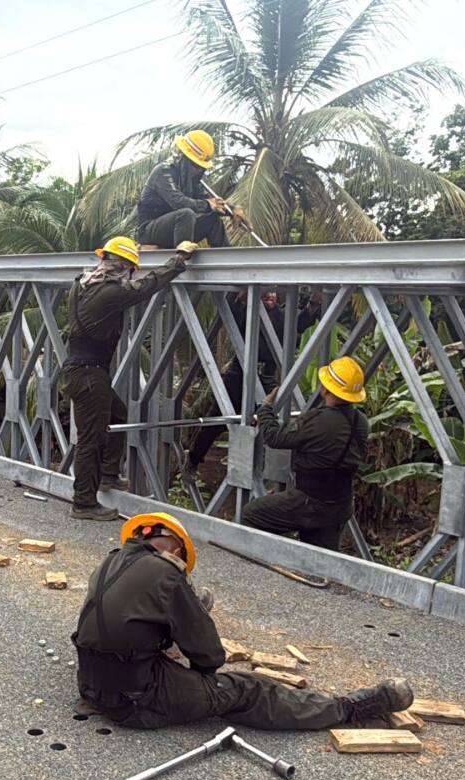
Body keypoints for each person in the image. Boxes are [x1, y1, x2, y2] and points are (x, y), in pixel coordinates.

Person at [72, 511, 412, 730]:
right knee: (247, 689)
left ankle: (188, 612)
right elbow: (210, 658)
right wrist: (197, 660)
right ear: (176, 552)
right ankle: (348, 710)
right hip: (135, 700)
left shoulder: (110, 562)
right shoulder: (167, 573)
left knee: (148, 632)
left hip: (89, 684)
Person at [60, 236, 198, 520]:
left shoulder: (82, 284)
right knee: (90, 439)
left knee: (117, 415)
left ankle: (108, 475)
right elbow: (147, 286)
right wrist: (178, 260)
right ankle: (84, 503)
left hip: (80, 371)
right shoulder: (110, 293)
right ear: (125, 267)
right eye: (132, 268)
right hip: (89, 375)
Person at [185, 290, 322, 475]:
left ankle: (278, 471)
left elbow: (301, 321)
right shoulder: (246, 311)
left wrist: (314, 304)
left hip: (265, 376)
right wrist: (241, 296)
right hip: (239, 373)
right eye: (265, 292)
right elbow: (231, 311)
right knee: (217, 418)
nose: (270, 296)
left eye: (273, 292)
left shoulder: (281, 315)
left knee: (276, 420)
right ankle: (193, 459)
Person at [241, 357, 370, 552]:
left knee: (252, 515)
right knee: (319, 561)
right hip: (339, 506)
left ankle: (270, 569)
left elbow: (275, 438)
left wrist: (266, 409)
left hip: (310, 502)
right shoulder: (360, 422)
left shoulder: (319, 421)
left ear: (326, 389)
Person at [136, 130, 236, 250]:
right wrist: (208, 204)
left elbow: (207, 201)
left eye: (200, 168)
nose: (198, 170)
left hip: (176, 230)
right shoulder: (163, 171)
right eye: (195, 165)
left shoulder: (191, 180)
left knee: (213, 219)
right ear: (183, 158)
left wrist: (232, 210)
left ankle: (225, 257)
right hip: (149, 231)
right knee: (186, 213)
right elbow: (178, 202)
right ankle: (181, 257)